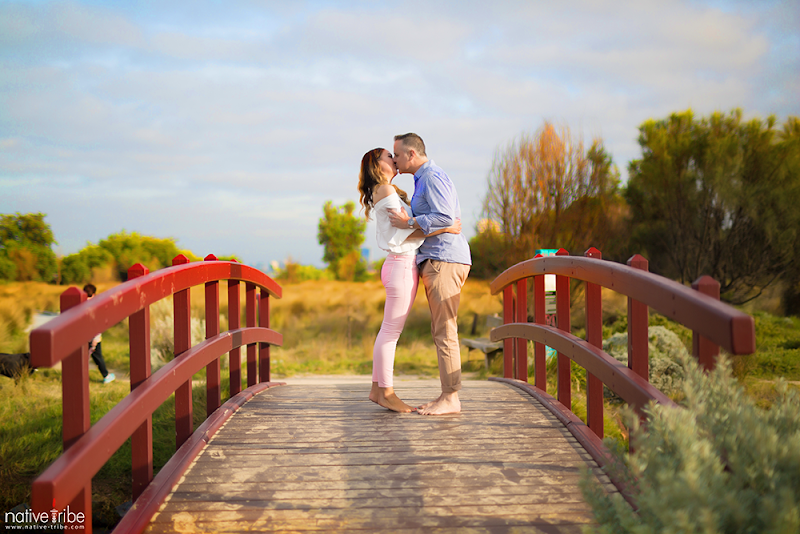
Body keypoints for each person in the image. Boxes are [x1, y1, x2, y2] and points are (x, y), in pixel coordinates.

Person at [358, 147, 461, 413]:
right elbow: (407, 233)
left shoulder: (385, 190)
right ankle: (387, 393)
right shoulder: (386, 190)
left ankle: (376, 389)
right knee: (391, 333)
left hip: (399, 266)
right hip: (401, 265)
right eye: (387, 157)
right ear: (377, 166)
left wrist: (415, 223)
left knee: (388, 331)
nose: (393, 160)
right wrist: (447, 227)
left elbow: (407, 226)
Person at [389, 133, 471, 415]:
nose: (395, 160)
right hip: (437, 259)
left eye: (397, 155)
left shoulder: (432, 176)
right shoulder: (422, 179)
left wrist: (409, 220)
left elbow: (446, 218)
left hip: (444, 259)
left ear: (411, 154)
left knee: (445, 331)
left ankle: (450, 398)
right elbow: (444, 219)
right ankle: (447, 396)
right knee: (441, 331)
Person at [83, 284, 115, 384]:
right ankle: (106, 376)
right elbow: (98, 323)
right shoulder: (95, 305)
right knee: (97, 357)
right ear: (94, 294)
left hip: (83, 337)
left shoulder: (80, 305)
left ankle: (79, 377)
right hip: (93, 337)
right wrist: (96, 338)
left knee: (85, 358)